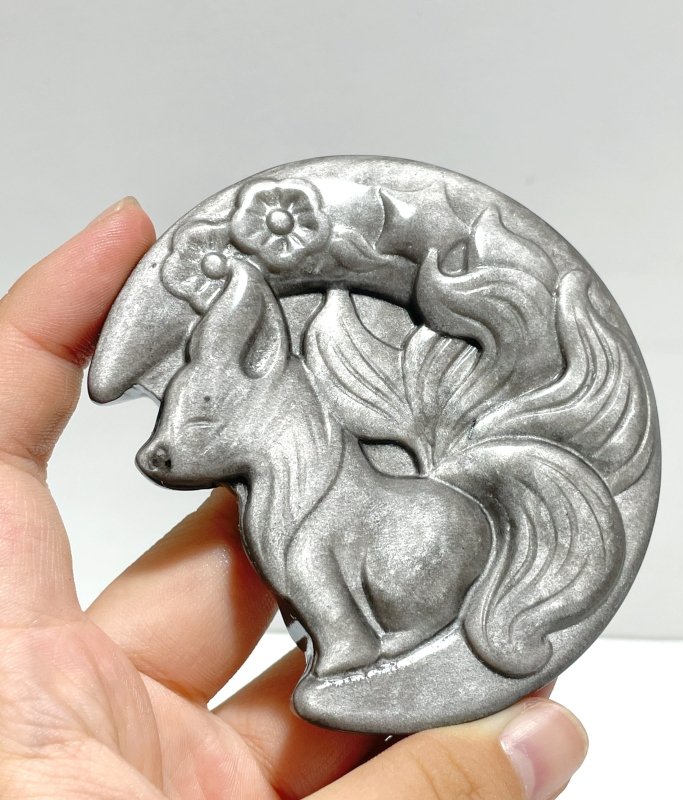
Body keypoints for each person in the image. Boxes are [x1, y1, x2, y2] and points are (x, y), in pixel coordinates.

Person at [0, 197, 588, 799]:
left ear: (264, 378)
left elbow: (346, 650)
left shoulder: (310, 533)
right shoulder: (290, 516)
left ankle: (422, 637)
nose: (163, 449)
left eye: (201, 420)